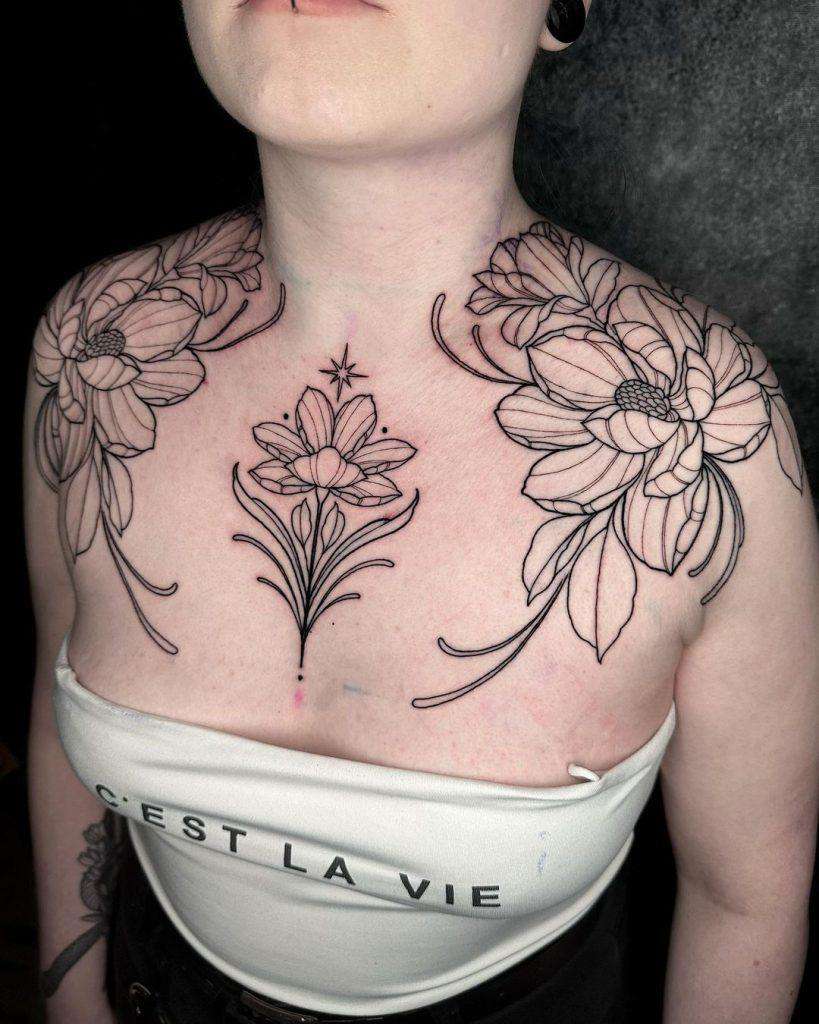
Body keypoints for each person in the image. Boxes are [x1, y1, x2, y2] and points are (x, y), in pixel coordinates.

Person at [24, 2, 818, 1022]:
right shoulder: (91, 349)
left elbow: (742, 900)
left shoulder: (707, 432)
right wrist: (73, 996)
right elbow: (55, 715)